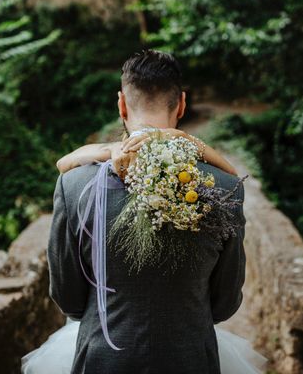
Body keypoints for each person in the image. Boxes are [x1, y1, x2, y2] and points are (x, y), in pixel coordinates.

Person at [22, 50, 267, 374]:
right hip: (191, 360)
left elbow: (67, 298)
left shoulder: (74, 185)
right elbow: (225, 304)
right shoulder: (224, 187)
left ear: (122, 104)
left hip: (102, 359)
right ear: (181, 104)